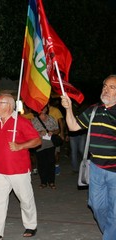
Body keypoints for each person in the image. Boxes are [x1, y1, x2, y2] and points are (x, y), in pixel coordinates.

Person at [61, 75, 116, 239]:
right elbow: (73, 126)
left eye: (111, 87)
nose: (106, 89)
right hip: (96, 169)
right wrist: (68, 108)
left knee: (115, 211)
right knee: (96, 206)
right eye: (105, 85)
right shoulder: (93, 110)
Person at [0, 93, 42, 240]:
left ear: (8, 105)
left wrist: (20, 146)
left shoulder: (20, 122)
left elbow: (37, 140)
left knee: (26, 200)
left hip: (19, 171)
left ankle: (31, 225)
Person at [31, 105, 59, 189]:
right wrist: (39, 132)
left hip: (50, 144)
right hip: (39, 144)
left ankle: (51, 181)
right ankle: (43, 182)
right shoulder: (34, 121)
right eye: (41, 108)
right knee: (41, 163)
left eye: (45, 108)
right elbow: (30, 133)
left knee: (51, 162)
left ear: (47, 109)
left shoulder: (51, 118)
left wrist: (52, 132)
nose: (43, 109)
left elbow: (57, 130)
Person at [48, 98, 65, 176]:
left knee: (56, 153)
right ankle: (49, 168)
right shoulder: (40, 111)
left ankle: (57, 166)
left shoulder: (55, 110)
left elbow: (61, 122)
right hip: (45, 136)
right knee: (48, 153)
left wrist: (62, 133)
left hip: (55, 135)